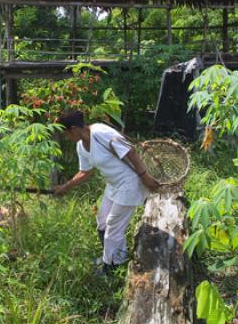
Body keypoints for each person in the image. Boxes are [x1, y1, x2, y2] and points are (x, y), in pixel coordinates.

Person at [53, 110, 159, 274]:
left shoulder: (101, 132)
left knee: (113, 226)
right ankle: (109, 255)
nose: (66, 138)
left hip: (129, 182)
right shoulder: (81, 146)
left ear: (73, 129)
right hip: (113, 184)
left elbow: (130, 151)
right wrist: (65, 187)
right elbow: (85, 172)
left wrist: (144, 176)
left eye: (65, 134)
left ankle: (112, 266)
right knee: (102, 220)